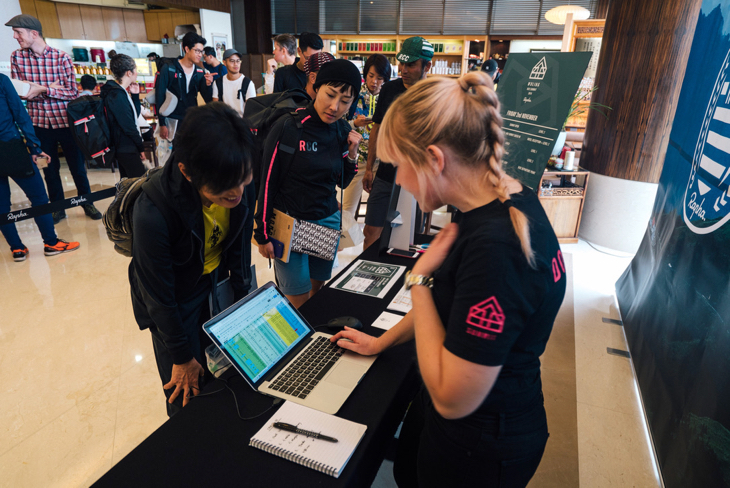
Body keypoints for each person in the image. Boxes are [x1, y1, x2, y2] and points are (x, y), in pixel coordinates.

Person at [330, 71, 567, 488]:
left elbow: (452, 398)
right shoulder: (500, 199)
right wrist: (381, 342)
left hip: (480, 443)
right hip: (462, 429)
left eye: (400, 166)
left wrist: (418, 282)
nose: (398, 180)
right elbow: (451, 303)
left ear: (436, 159)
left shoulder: (497, 247)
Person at [130, 103, 256, 417]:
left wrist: (246, 311)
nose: (237, 193)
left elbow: (240, 254)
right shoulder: (152, 211)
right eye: (225, 188)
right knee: (187, 388)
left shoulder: (235, 176)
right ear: (187, 171)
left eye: (243, 180)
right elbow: (159, 296)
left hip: (215, 283)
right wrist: (181, 356)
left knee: (228, 373)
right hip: (174, 298)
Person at [254, 60, 362, 308]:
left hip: (325, 222)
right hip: (289, 224)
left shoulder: (341, 130)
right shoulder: (289, 126)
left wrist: (353, 154)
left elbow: (343, 183)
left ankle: (313, 342)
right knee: (297, 299)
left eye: (345, 101)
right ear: (317, 87)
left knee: (316, 293)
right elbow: (267, 181)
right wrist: (262, 234)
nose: (335, 107)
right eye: (330, 94)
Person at [6, 14, 102, 224]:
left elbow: (71, 93)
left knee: (77, 167)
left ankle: (87, 202)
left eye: (18, 32)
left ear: (34, 33)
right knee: (49, 169)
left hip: (65, 122)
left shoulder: (62, 57)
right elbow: (19, 92)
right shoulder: (17, 57)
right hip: (39, 124)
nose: (15, 36)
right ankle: (58, 208)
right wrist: (51, 88)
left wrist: (40, 89)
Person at [0, 73, 80, 261]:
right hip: (10, 146)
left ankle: (17, 249)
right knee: (38, 198)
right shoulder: (2, 80)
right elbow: (19, 113)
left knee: (1, 205)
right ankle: (51, 243)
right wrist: (34, 146)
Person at [362, 36, 432, 249]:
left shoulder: (433, 95)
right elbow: (377, 128)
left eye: (411, 65)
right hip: (385, 173)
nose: (403, 69)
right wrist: (369, 168)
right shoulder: (389, 89)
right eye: (402, 63)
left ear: (427, 65)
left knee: (410, 238)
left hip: (417, 179)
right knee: (371, 231)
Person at [341, 54, 391, 220]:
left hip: (380, 162)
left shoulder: (389, 98)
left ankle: (374, 243)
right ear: (365, 75)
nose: (374, 82)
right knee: (347, 210)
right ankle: (343, 244)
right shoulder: (354, 95)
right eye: (371, 76)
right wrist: (355, 123)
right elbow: (339, 126)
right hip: (356, 160)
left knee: (379, 211)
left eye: (379, 78)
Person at [156, 31, 214, 142]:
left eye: (201, 52)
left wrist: (208, 84)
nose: (200, 55)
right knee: (175, 155)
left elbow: (208, 99)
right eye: (197, 51)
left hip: (192, 120)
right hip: (172, 120)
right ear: (186, 49)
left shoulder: (200, 72)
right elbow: (160, 95)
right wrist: (162, 123)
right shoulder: (169, 68)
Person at [100, 54, 146, 178]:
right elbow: (128, 126)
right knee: (139, 184)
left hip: (124, 147)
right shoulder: (117, 94)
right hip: (126, 147)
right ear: (128, 73)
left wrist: (135, 96)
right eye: (135, 70)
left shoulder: (119, 91)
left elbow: (132, 116)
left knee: (128, 183)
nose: (137, 73)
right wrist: (140, 146)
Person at [212, 48, 255, 117]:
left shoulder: (247, 83)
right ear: (224, 62)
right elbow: (216, 108)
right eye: (232, 61)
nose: (236, 64)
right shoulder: (218, 83)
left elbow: (252, 110)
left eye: (238, 61)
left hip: (242, 123)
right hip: (225, 123)